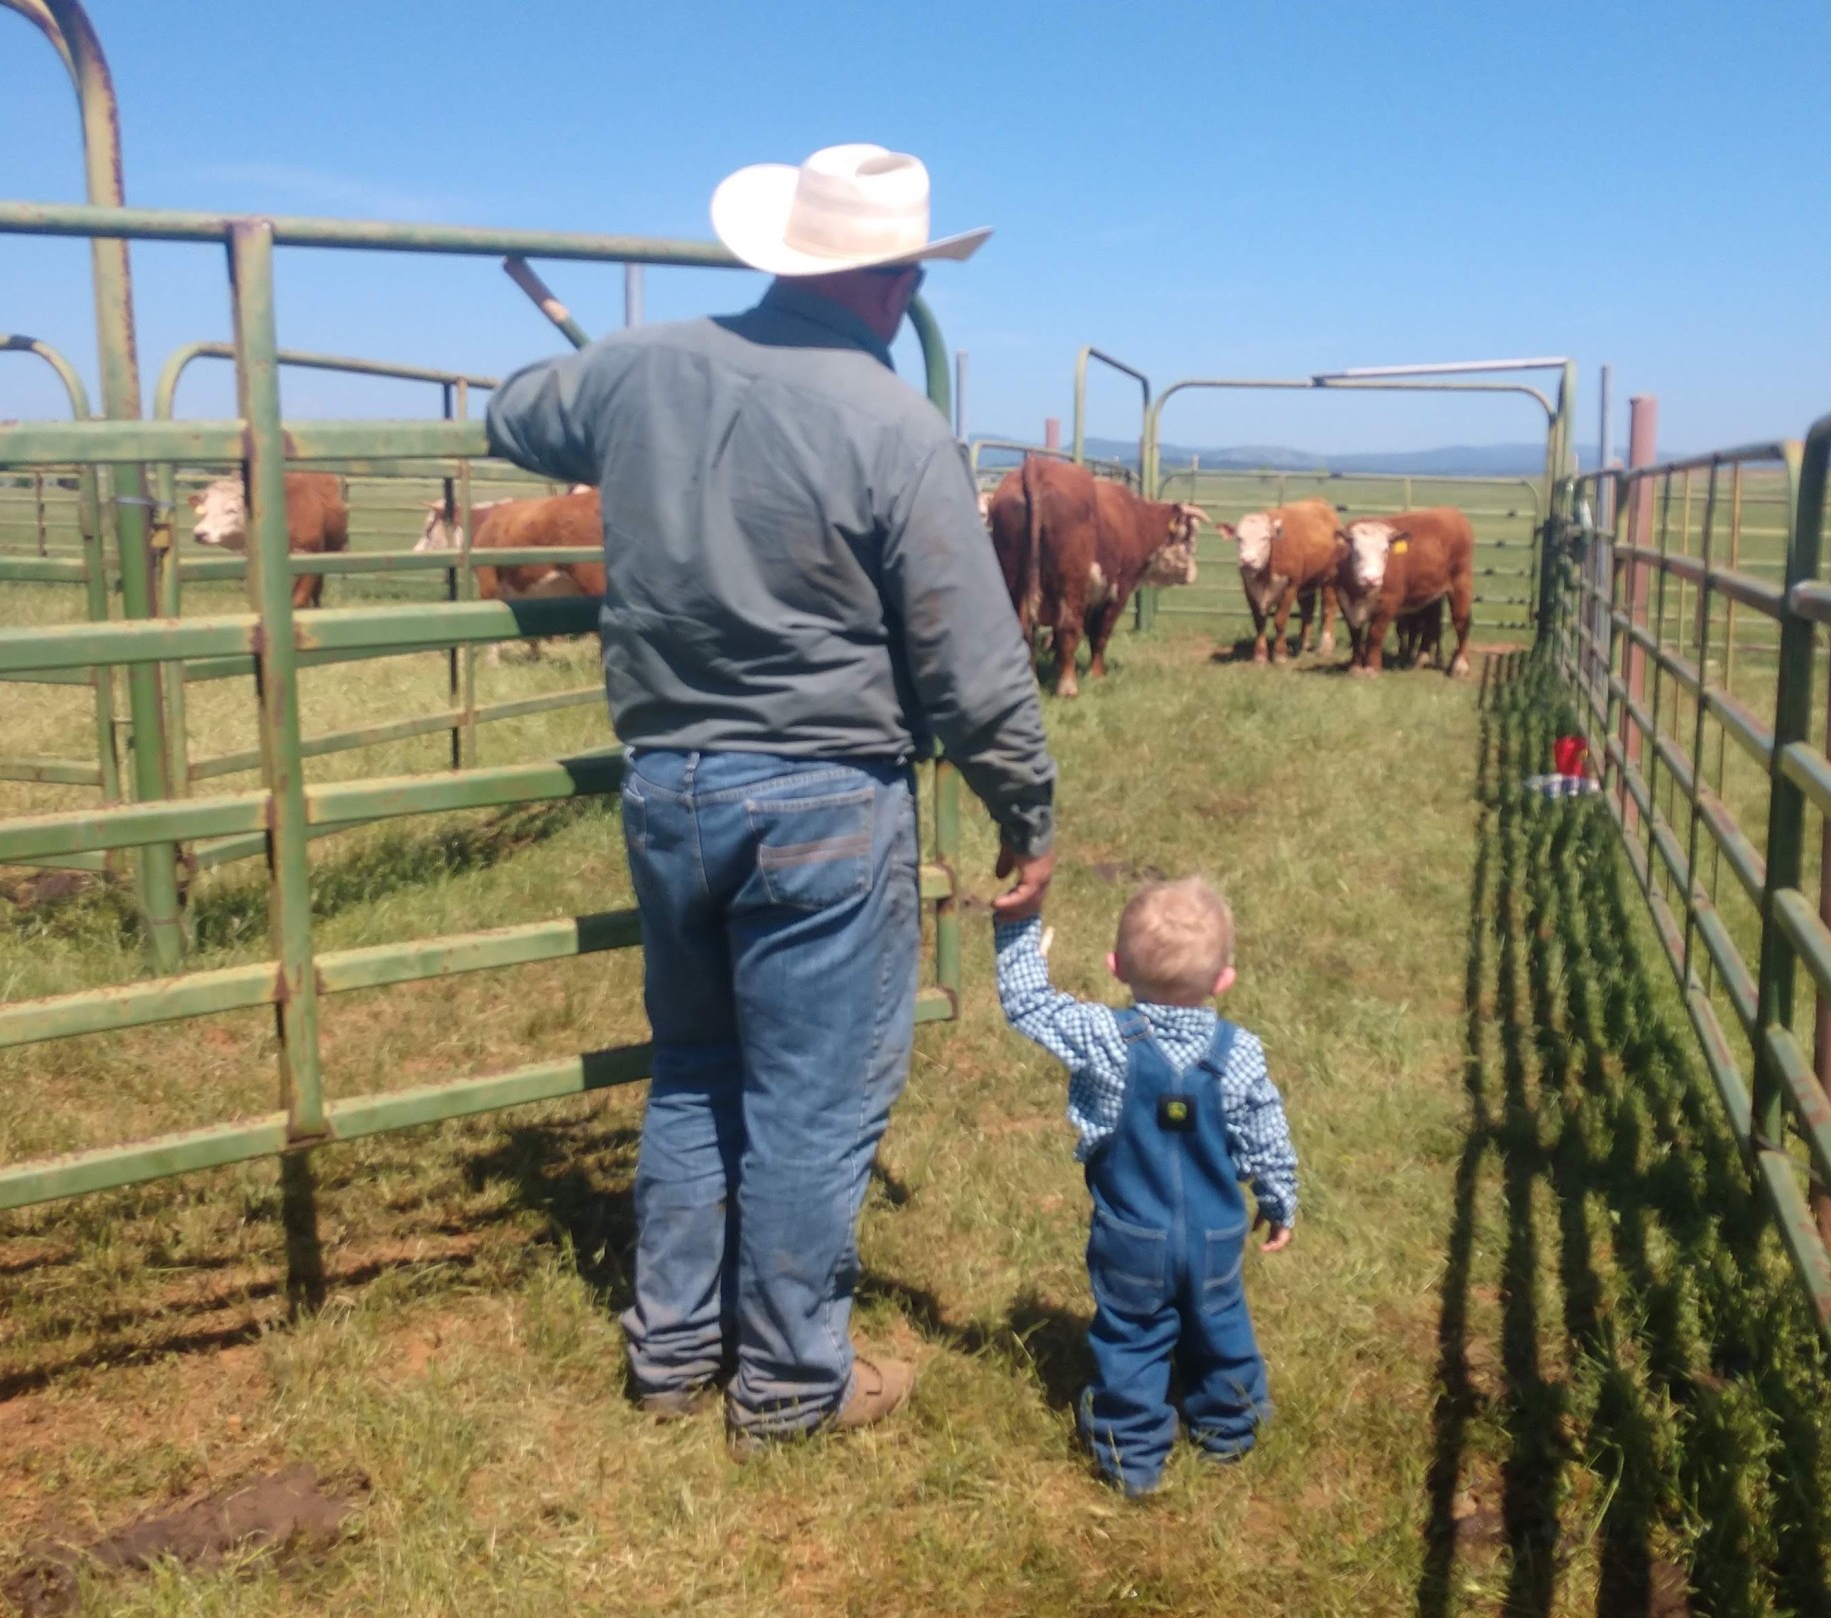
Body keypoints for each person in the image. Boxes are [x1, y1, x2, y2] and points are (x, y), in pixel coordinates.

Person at [485, 144, 1057, 1448]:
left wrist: (614, 390)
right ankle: (794, 1383)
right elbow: (973, 669)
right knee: (812, 1098)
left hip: (665, 784)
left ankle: (673, 1351)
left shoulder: (646, 365)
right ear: (894, 280)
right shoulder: (896, 427)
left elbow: (513, 413)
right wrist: (1027, 811)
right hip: (821, 795)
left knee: (694, 1069)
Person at [992, 878, 1300, 1494]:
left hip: (1131, 1235)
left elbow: (1027, 1003)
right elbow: (1268, 1131)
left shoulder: (1105, 1039)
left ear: (1116, 968)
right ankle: (1230, 1431)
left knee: (1131, 1336)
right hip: (1215, 1235)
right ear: (1223, 981)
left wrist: (1018, 926)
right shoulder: (1238, 1054)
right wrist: (1278, 1197)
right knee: (1221, 1323)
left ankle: (1131, 1452)